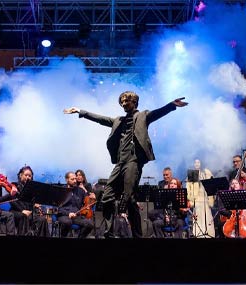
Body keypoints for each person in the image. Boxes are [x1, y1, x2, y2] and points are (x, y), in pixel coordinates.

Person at [64, 91, 188, 238]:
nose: (123, 104)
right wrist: (81, 111)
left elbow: (157, 113)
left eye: (126, 101)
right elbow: (100, 119)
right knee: (107, 196)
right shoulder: (118, 120)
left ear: (134, 102)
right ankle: (109, 232)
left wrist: (171, 105)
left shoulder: (142, 116)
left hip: (133, 162)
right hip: (120, 163)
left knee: (128, 198)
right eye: (121, 102)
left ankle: (137, 235)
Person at [10, 166, 49, 236]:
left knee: (42, 219)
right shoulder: (14, 186)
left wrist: (35, 205)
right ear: (20, 175)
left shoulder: (32, 189)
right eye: (26, 175)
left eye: (30, 176)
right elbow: (13, 201)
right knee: (24, 216)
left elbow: (31, 203)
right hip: (16, 211)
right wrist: (22, 210)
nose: (28, 177)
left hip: (29, 212)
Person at [57, 172, 96, 238]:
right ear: (67, 180)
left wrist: (92, 197)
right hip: (64, 215)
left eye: (75, 179)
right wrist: (68, 213)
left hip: (76, 215)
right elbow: (58, 208)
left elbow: (88, 201)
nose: (75, 181)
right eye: (72, 179)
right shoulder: (61, 190)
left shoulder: (80, 191)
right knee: (67, 222)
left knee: (90, 224)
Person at [186, 159, 215, 238]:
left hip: (205, 197)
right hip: (197, 199)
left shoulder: (205, 173)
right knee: (198, 216)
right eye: (195, 162)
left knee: (207, 215)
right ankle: (198, 233)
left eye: (198, 162)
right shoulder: (192, 174)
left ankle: (208, 233)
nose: (196, 164)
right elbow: (189, 188)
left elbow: (211, 184)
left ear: (201, 163)